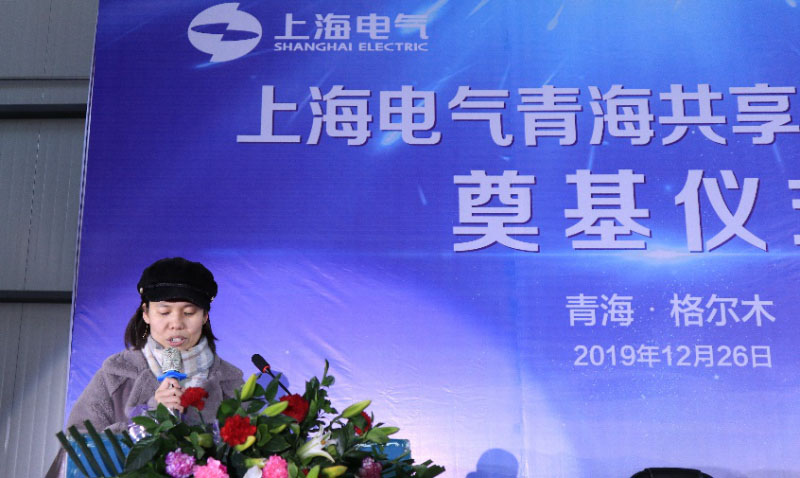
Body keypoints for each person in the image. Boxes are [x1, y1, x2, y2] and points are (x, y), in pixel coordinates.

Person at [46, 257, 244, 477]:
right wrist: (147, 421)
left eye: (189, 313)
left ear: (205, 316)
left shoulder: (230, 383)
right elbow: (79, 446)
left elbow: (255, 453)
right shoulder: (115, 375)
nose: (176, 324)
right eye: (164, 312)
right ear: (146, 313)